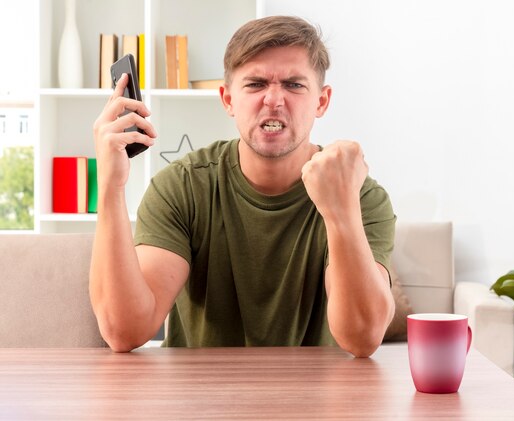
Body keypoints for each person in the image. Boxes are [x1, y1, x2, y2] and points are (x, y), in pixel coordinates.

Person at [90, 15, 396, 357]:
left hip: (315, 401)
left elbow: (363, 338)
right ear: (228, 100)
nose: (273, 99)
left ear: (321, 101)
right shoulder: (183, 187)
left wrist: (341, 211)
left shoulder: (360, 194)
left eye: (294, 84)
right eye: (255, 84)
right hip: (201, 400)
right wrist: (110, 186)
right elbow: (125, 330)